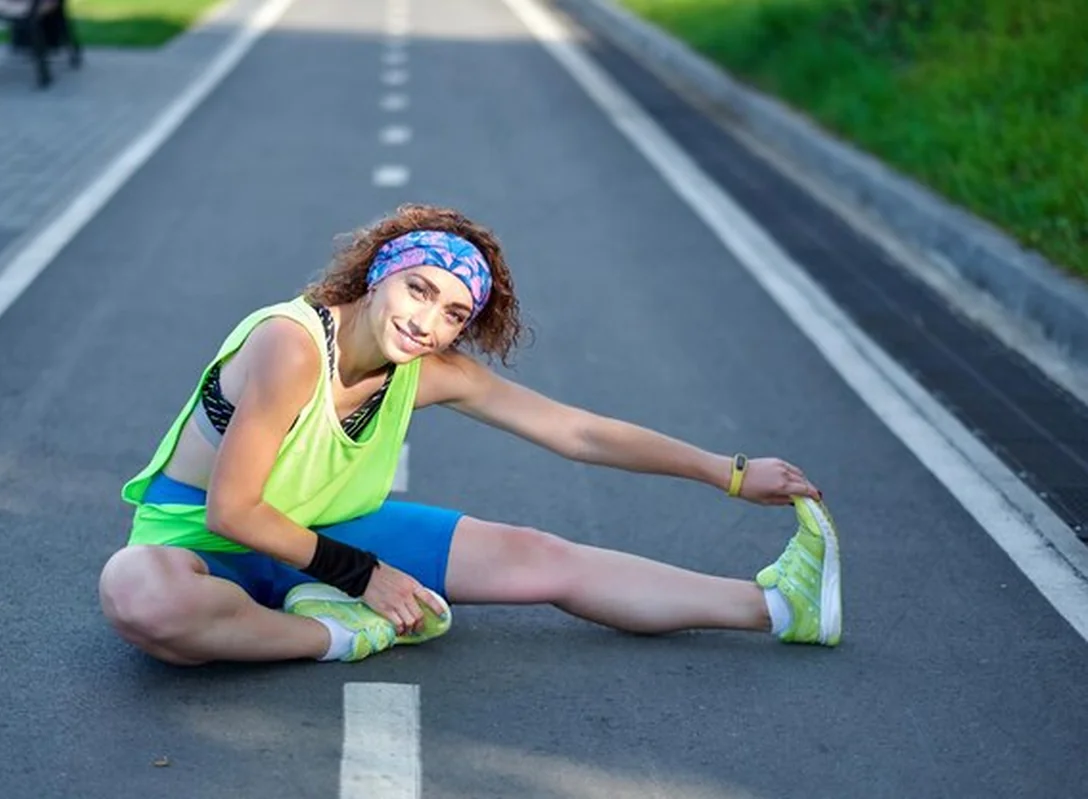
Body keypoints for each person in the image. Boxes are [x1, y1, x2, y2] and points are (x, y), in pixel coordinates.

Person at [98, 203, 842, 666]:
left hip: (324, 533)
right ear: (379, 275)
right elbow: (233, 511)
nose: (426, 322)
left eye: (453, 313)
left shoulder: (427, 369)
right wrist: (367, 578)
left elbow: (580, 433)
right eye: (418, 290)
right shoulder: (289, 344)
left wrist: (727, 471)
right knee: (140, 599)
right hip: (206, 544)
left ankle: (778, 606)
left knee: (541, 556)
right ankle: (340, 634)